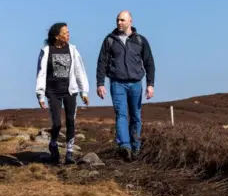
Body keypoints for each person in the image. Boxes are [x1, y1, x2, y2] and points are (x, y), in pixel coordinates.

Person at [96, 10, 155, 162]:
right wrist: (100, 83)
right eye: (117, 20)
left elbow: (149, 62)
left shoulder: (140, 40)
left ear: (130, 21)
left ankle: (136, 147)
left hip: (136, 83)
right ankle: (125, 146)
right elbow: (102, 62)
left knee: (135, 115)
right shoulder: (109, 40)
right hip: (117, 83)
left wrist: (150, 84)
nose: (119, 23)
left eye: (122, 20)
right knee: (121, 114)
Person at [35, 22, 90, 164]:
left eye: (68, 32)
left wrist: (84, 91)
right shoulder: (47, 51)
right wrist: (40, 94)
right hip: (52, 92)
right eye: (65, 32)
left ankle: (69, 152)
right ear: (56, 36)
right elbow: (41, 73)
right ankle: (53, 144)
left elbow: (79, 70)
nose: (68, 34)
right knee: (57, 124)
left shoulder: (72, 50)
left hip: (70, 91)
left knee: (71, 121)